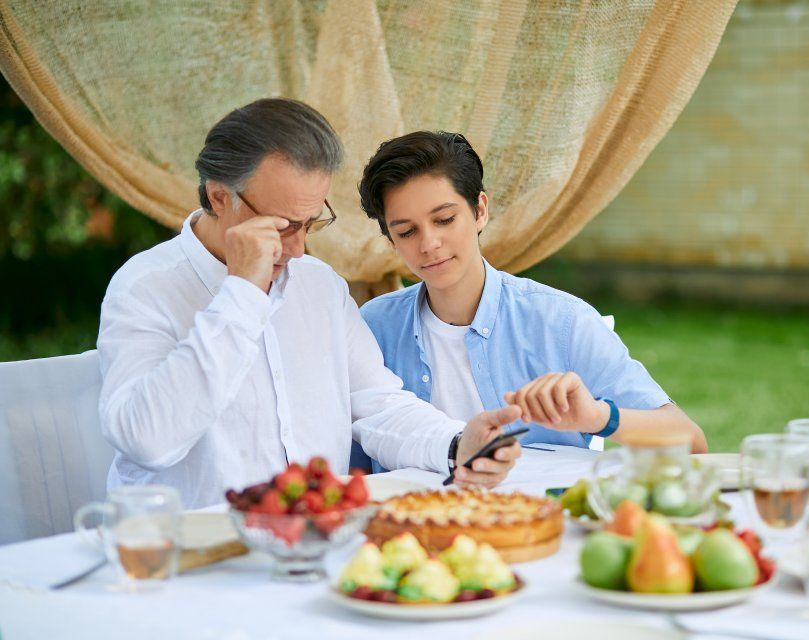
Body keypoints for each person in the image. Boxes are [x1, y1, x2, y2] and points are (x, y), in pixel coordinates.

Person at [97, 100, 521, 508]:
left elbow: (377, 405)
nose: (299, 249)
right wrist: (242, 295)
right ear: (219, 197)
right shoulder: (143, 288)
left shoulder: (318, 285)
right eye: (283, 225)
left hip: (318, 544)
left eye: (310, 223)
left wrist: (458, 442)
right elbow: (147, 441)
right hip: (191, 561)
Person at [357, 131, 706, 463]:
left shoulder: (562, 322)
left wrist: (599, 417)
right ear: (390, 240)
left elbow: (689, 442)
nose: (429, 244)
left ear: (480, 210)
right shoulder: (372, 328)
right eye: (406, 231)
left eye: (445, 219)